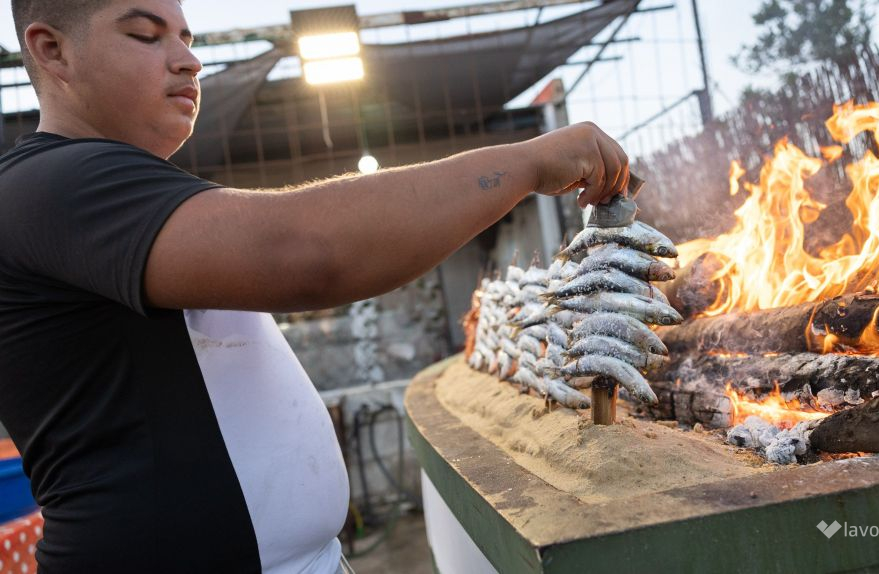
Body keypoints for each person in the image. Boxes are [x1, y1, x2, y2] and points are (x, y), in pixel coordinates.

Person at [0, 0, 631, 572]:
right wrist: (525, 162)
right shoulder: (50, 185)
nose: (189, 61)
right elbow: (307, 253)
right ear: (52, 49)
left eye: (187, 38)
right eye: (145, 35)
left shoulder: (116, 188)